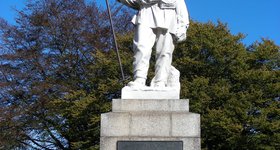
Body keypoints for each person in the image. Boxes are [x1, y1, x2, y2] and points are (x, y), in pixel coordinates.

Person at [118, 0, 189, 88]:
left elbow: (180, 5)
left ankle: (160, 81)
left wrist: (183, 25)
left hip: (168, 17)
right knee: (141, 48)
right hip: (146, 13)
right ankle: (139, 79)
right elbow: (133, 1)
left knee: (164, 52)